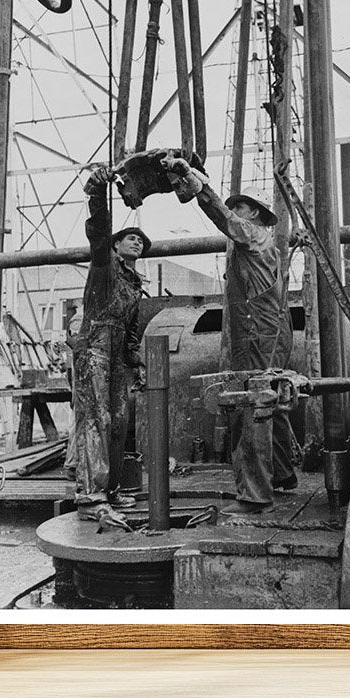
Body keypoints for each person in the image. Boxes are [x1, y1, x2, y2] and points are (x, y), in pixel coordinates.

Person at [175, 164, 296, 514]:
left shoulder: (254, 236)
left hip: (258, 333)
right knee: (271, 400)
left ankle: (255, 494)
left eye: (239, 208)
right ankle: (284, 474)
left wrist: (197, 186)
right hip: (268, 332)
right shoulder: (258, 244)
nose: (235, 215)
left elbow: (223, 217)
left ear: (253, 213)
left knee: (252, 403)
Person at [67, 164, 150, 521]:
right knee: (95, 420)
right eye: (131, 238)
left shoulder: (134, 284)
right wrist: (98, 195)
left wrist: (136, 363)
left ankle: (110, 490)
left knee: (118, 421)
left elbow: (132, 331)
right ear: (116, 245)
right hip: (96, 347)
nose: (137, 242)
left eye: (141, 242)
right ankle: (90, 497)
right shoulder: (105, 266)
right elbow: (98, 234)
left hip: (117, 354)